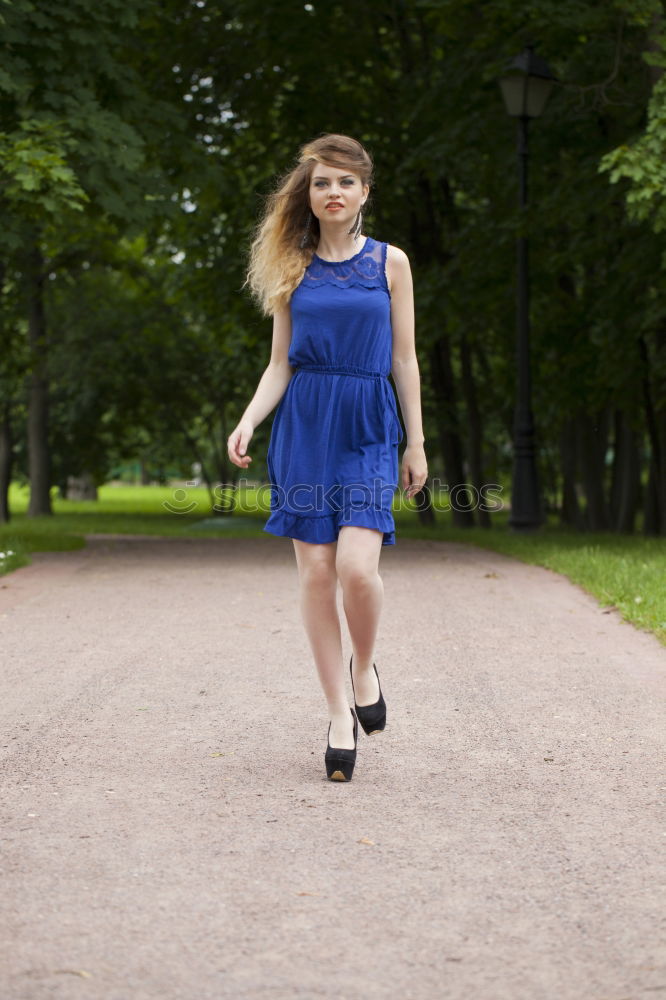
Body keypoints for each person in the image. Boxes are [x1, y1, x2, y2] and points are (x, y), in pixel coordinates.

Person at [227, 134, 427, 782]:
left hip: (369, 422)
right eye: (321, 183)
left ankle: (363, 665)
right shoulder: (294, 267)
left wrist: (416, 442)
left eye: (345, 182)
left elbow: (404, 358)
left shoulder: (390, 263)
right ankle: (340, 714)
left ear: (365, 192)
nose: (333, 192)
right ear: (308, 197)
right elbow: (280, 362)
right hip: (306, 425)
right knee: (316, 574)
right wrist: (249, 420)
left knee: (358, 570)